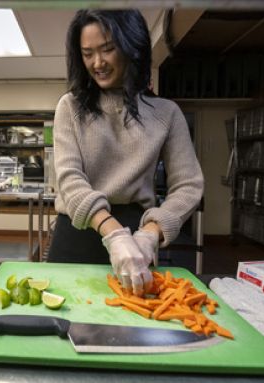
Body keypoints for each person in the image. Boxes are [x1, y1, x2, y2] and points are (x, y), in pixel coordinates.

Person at [47, 9, 203, 296]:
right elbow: (69, 179)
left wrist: (150, 234)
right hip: (78, 233)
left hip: (137, 238)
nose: (97, 63)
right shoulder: (70, 107)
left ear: (132, 47)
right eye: (87, 53)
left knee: (131, 327)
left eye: (108, 49)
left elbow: (189, 185)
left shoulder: (167, 114)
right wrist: (113, 234)